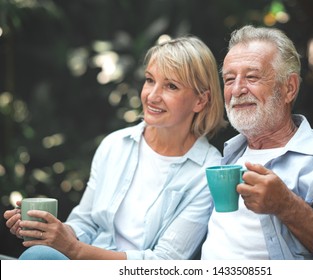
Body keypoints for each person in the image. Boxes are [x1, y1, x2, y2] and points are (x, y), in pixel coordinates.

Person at [4, 35, 227, 260]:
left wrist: (74, 249)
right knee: (39, 254)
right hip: (84, 264)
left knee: (39, 258)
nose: (152, 95)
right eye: (150, 80)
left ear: (201, 100)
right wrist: (51, 232)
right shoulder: (115, 145)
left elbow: (165, 263)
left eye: (171, 86)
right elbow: (86, 222)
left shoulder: (209, 172)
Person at [201, 25, 313, 260]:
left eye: (252, 77)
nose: (237, 89)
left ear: (289, 88)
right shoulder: (229, 155)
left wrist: (286, 206)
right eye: (228, 79)